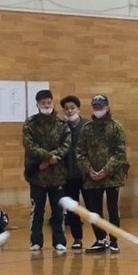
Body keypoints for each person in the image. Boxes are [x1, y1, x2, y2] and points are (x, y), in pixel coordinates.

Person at [77, 94, 129, 253]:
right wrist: (89, 170)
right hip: (92, 177)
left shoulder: (116, 127)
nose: (98, 109)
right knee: (94, 210)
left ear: (107, 107)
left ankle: (114, 240)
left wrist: (106, 170)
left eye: (101, 106)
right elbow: (80, 152)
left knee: (113, 209)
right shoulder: (87, 128)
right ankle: (100, 239)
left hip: (112, 176)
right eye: (95, 106)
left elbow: (120, 153)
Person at [23, 89, 71, 252]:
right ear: (37, 104)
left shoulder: (61, 124)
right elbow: (29, 145)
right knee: (37, 211)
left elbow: (66, 144)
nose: (46, 105)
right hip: (37, 175)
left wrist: (52, 159)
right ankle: (35, 241)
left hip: (56, 175)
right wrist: (46, 157)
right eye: (43, 102)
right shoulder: (30, 123)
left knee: (58, 211)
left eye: (49, 102)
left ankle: (59, 241)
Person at [60, 95, 89, 250]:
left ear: (78, 108)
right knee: (73, 208)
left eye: (72, 107)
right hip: (68, 175)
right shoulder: (61, 127)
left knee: (92, 206)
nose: (70, 110)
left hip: (85, 175)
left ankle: (101, 238)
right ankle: (77, 238)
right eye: (66, 108)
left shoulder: (87, 126)